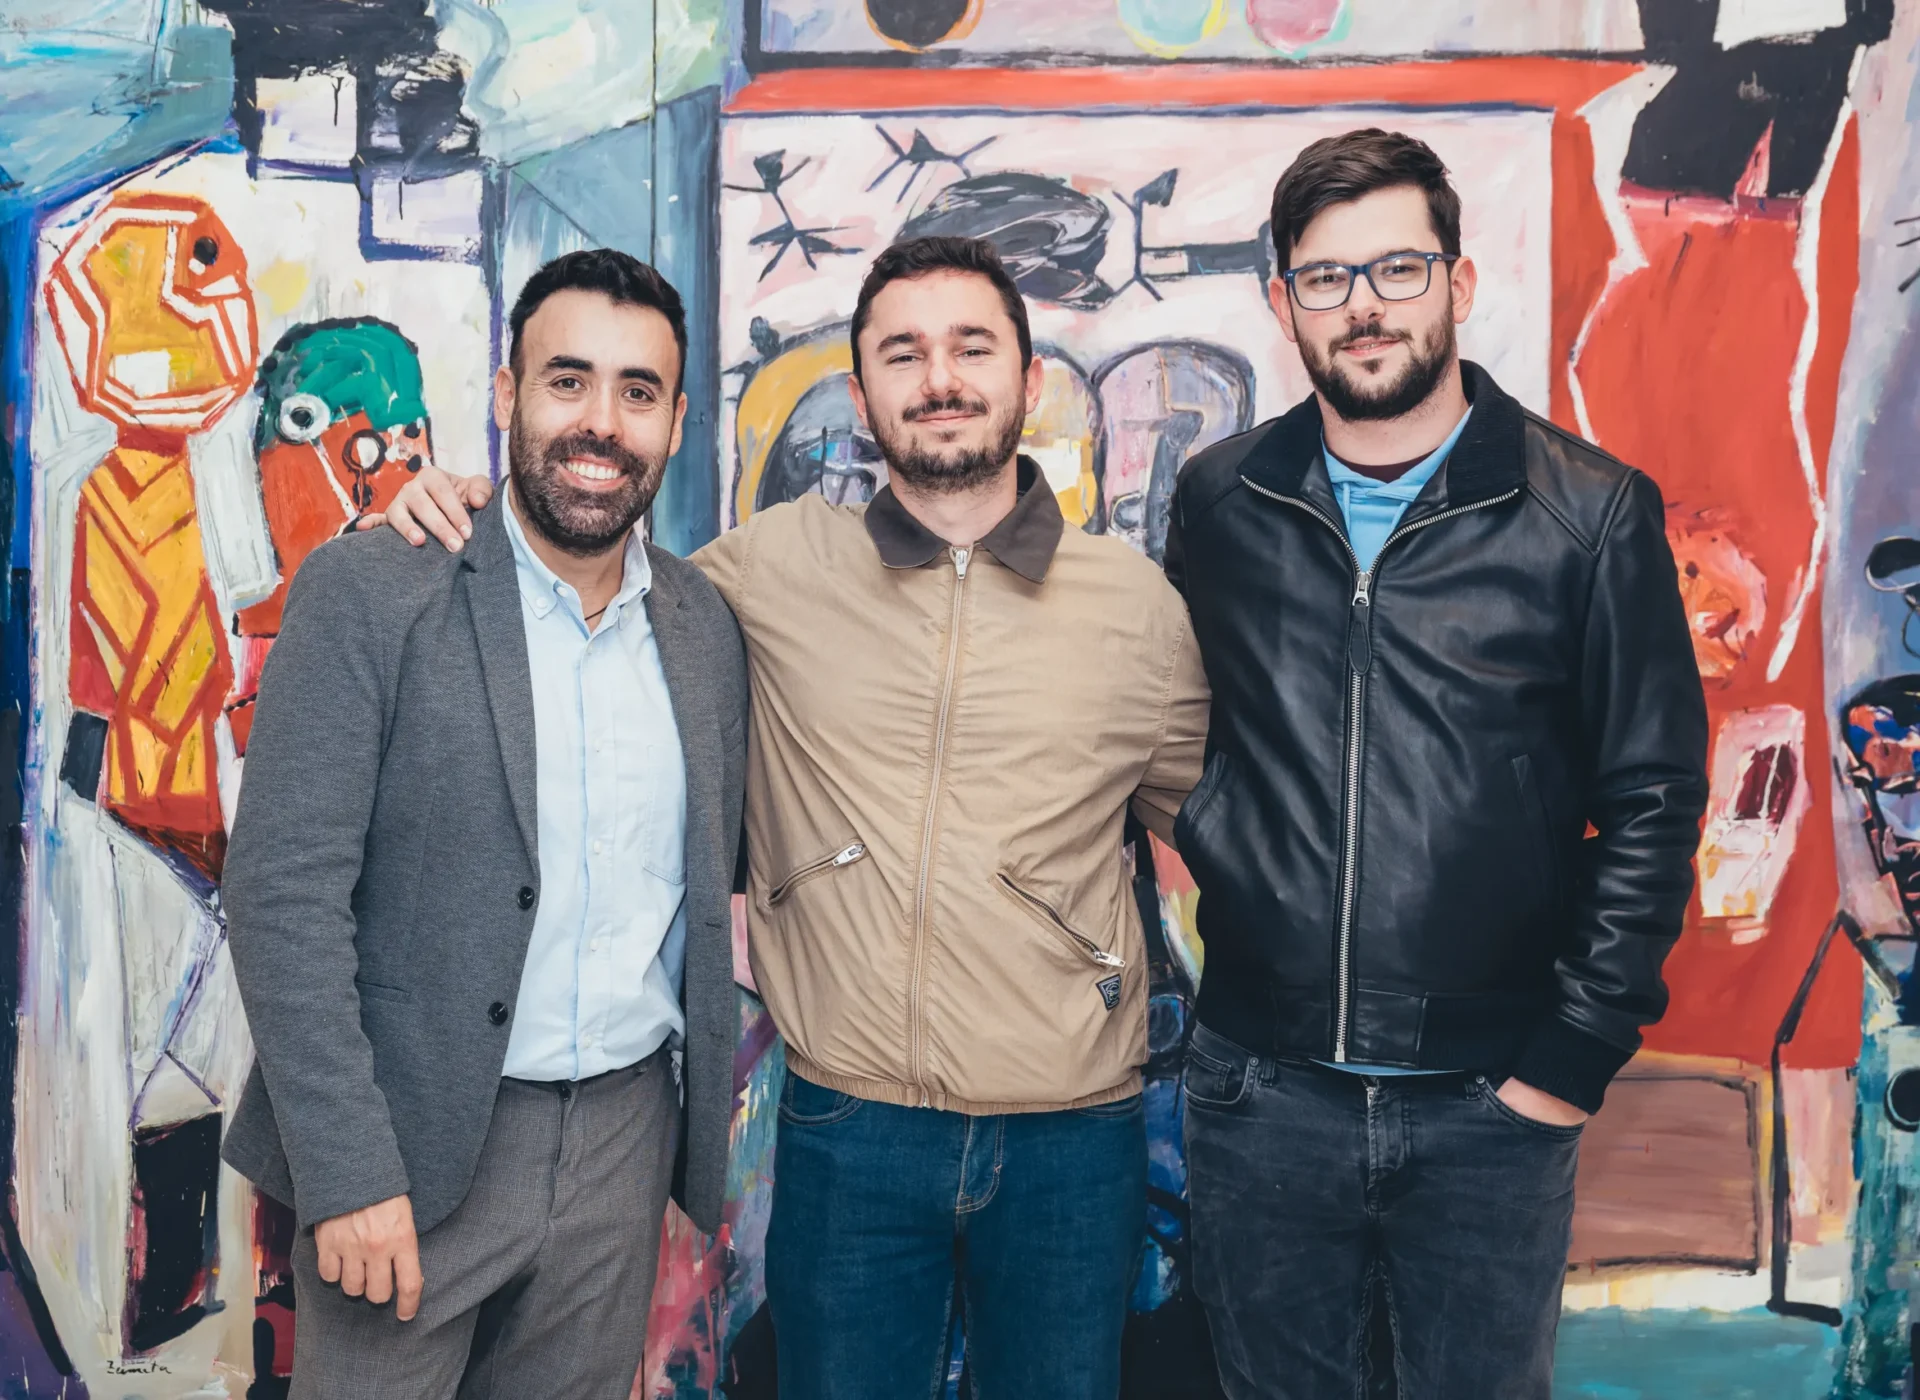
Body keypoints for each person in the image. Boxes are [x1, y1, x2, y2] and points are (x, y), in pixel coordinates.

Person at [373, 235, 1210, 1399]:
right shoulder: (760, 573)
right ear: (863, 397)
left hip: (1073, 1139)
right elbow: (590, 572)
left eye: (972, 347)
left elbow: (1209, 821)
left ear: (1027, 378)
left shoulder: (1135, 607)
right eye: (902, 354)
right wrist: (459, 504)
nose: (941, 378)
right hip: (850, 1129)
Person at [1165, 128, 1710, 1398]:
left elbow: (1652, 797)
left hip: (1490, 1107)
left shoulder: (1589, 512)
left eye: (1398, 268)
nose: (1363, 305)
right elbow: (1183, 732)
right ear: (1282, 304)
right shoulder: (1223, 501)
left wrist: (1565, 1061)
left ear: (1458, 283)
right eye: (1326, 276)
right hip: (1262, 1093)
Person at [221, 249, 747, 1399]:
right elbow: (280, 893)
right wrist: (349, 1169)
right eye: (567, 380)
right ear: (507, 394)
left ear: (675, 421)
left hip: (620, 1146)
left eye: (638, 391)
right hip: (405, 1146)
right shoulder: (374, 588)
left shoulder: (705, 627)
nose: (600, 422)